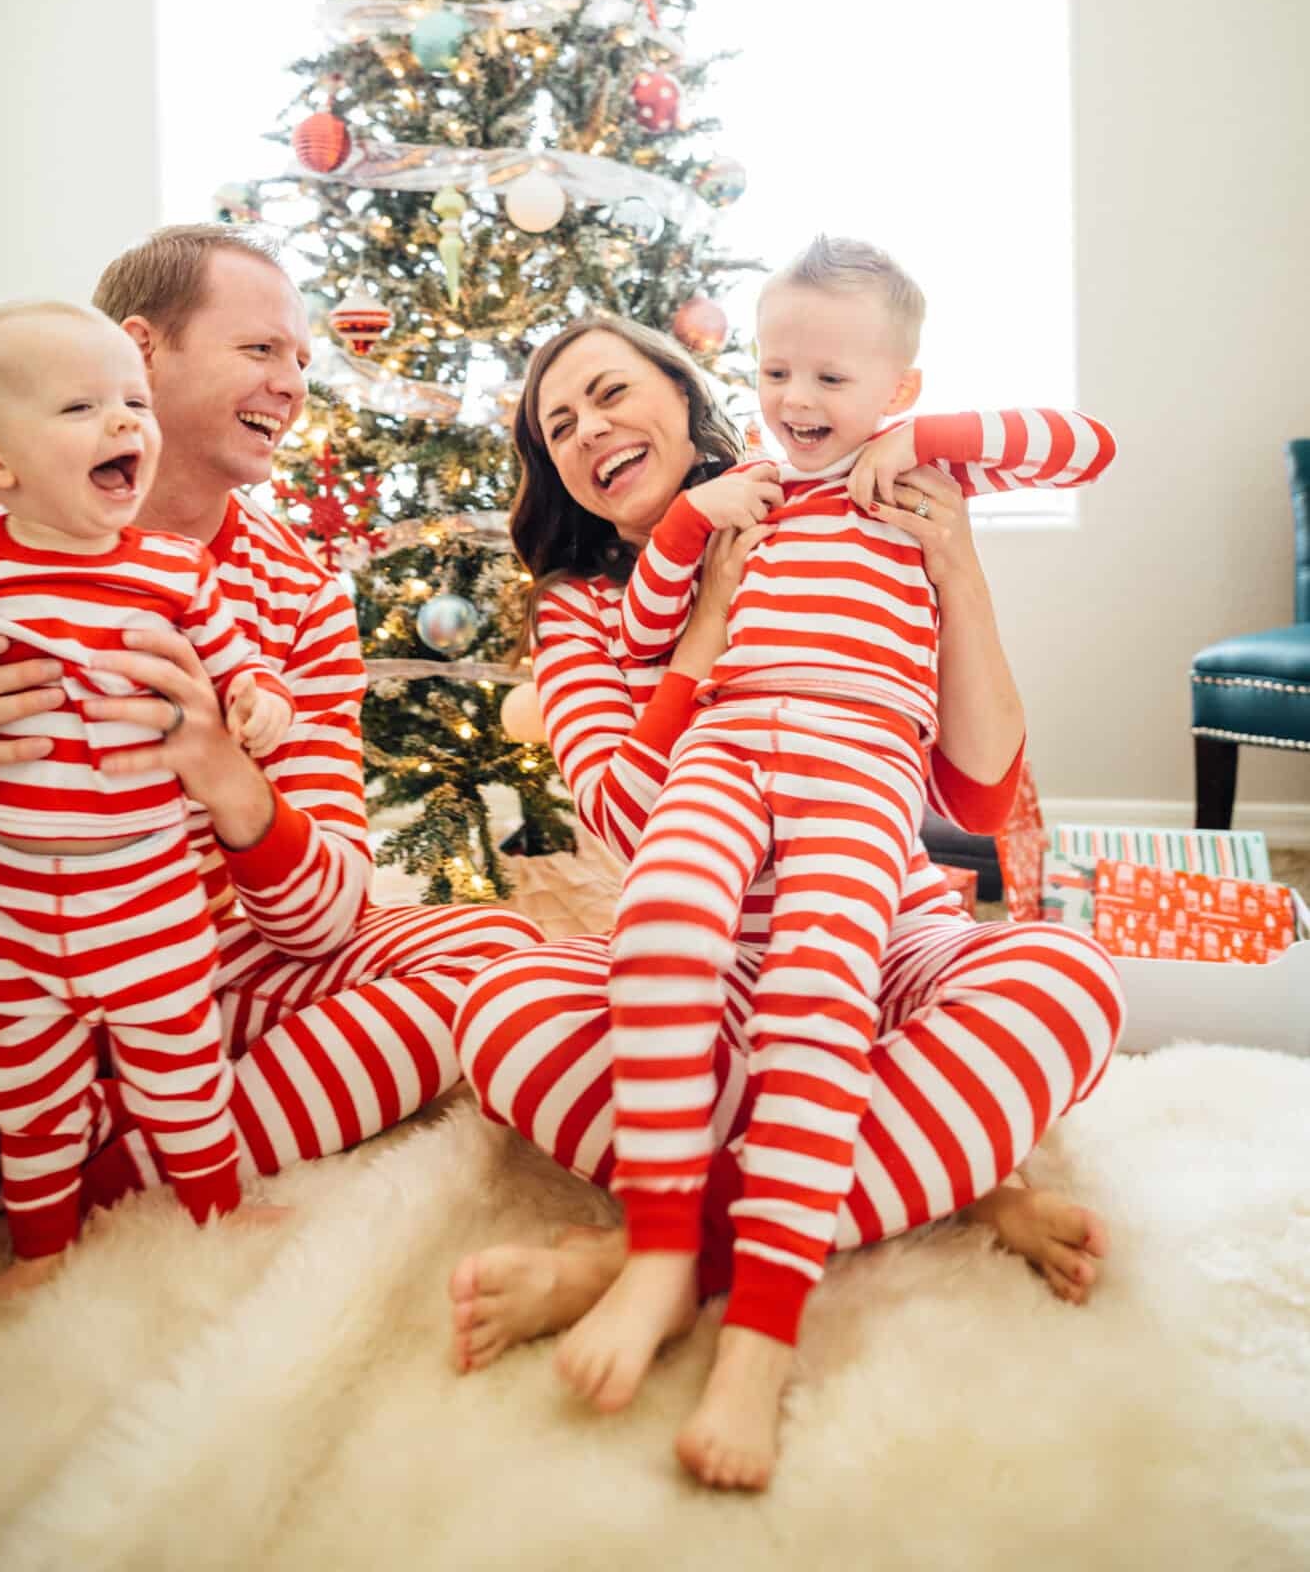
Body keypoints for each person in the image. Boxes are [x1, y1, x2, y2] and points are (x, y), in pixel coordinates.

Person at [450, 305, 1125, 1490]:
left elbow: (972, 788)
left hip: (880, 921)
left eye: (611, 392)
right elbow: (622, 806)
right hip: (696, 948)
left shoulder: (830, 496)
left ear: (680, 392)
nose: (588, 429)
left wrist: (956, 562)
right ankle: (941, 1180)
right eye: (557, 425)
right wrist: (702, 632)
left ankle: (662, 1256)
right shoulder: (580, 605)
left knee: (1064, 982)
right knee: (498, 1003)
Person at [0, 225, 543, 1262]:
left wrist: (227, 772)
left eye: (303, 360)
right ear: (141, 349)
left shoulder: (299, 589)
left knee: (497, 960)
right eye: (262, 348)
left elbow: (325, 919)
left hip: (206, 965)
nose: (293, 383)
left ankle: (108, 1158)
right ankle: (135, 1119)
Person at [0, 301, 297, 1298]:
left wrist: (255, 713)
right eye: (82, 405)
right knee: (29, 1089)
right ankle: (44, 1246)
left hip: (141, 890)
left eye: (132, 402)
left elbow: (241, 675)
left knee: (183, 1069)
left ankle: (213, 1208)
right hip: (4, 907)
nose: (124, 423)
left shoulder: (172, 570)